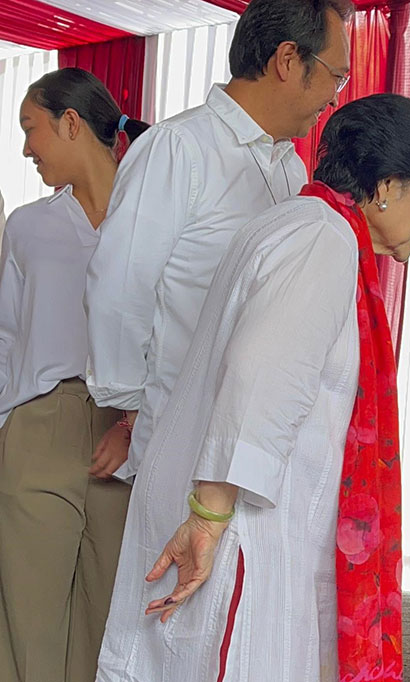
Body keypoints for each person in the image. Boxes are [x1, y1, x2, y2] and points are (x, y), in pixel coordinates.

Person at [96, 94, 410, 682]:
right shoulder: (320, 241)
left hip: (237, 509)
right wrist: (207, 519)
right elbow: (262, 379)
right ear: (387, 183)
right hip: (236, 521)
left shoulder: (309, 225)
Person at [84, 0, 353, 484]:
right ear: (288, 60)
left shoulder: (290, 166)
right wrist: (129, 413)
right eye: (337, 77)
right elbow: (119, 290)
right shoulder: (179, 148)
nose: (334, 98)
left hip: (251, 443)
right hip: (178, 435)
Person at [0, 68, 149, 682]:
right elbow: (6, 337)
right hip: (40, 421)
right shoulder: (27, 227)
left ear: (71, 122)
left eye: (31, 128)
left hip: (130, 426)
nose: (27, 148)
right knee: (28, 615)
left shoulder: (152, 223)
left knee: (111, 612)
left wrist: (140, 421)